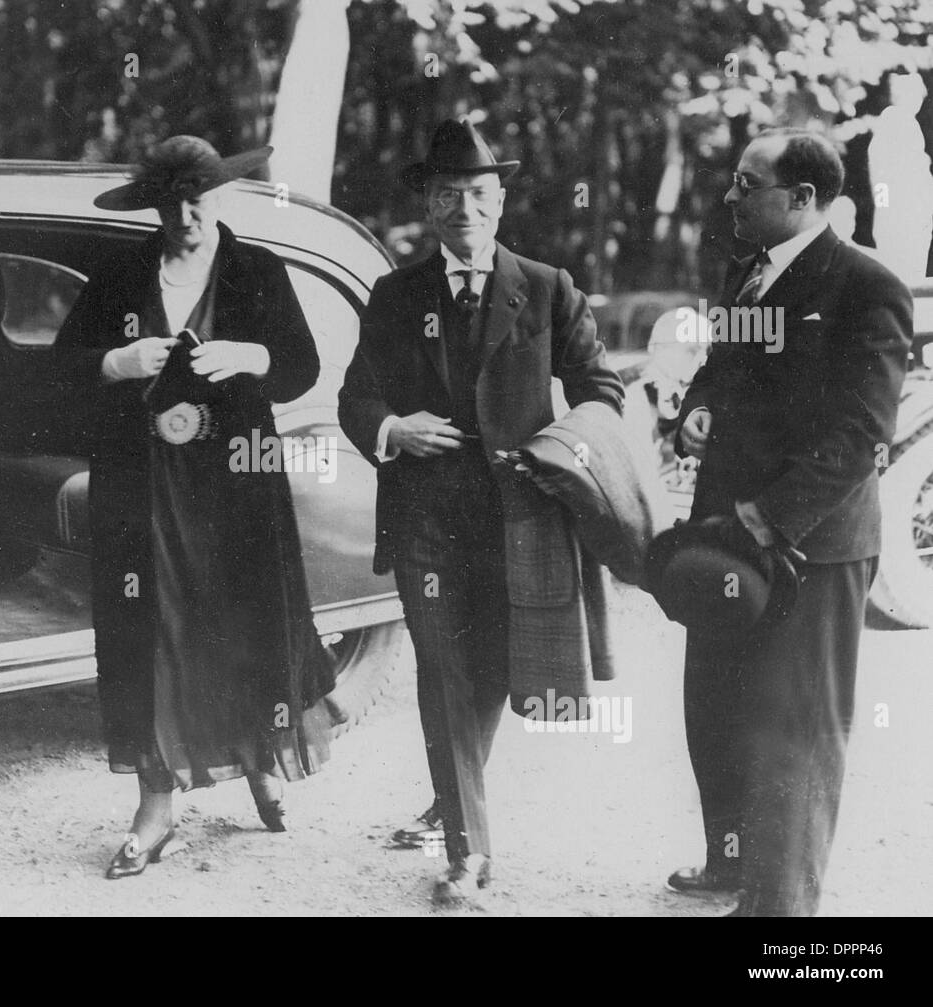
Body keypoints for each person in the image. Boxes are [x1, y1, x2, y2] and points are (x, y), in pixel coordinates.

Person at [339, 117, 624, 904]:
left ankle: (449, 801)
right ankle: (469, 851)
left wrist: (554, 447)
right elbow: (355, 398)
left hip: (519, 517)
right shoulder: (395, 296)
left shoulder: (548, 286)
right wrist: (396, 428)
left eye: (477, 193)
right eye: (446, 194)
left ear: (499, 201)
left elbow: (603, 391)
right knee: (444, 670)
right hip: (426, 520)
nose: (462, 207)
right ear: (429, 206)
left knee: (492, 668)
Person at [56, 136, 335, 878]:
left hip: (236, 486)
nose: (189, 214)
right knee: (152, 633)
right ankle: (155, 809)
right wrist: (117, 362)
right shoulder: (119, 274)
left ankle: (259, 762)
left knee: (239, 621)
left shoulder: (256, 270)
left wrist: (248, 356)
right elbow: (58, 372)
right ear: (156, 205)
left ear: (224, 195)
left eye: (202, 197)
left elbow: (301, 364)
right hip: (140, 486)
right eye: (175, 200)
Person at [670, 128, 912, 916]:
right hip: (727, 536)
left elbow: (860, 435)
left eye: (748, 184)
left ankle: (780, 908)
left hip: (812, 543)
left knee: (795, 721)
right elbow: (716, 370)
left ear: (802, 198)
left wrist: (767, 518)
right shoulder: (747, 272)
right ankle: (731, 862)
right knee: (716, 701)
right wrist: (698, 411)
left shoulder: (866, 286)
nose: (732, 196)